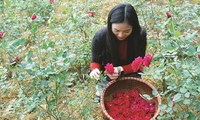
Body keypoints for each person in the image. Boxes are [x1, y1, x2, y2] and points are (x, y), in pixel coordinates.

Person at [89, 3, 147, 102]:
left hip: (130, 71)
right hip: (108, 74)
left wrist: (121, 69)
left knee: (134, 97)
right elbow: (95, 61)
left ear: (134, 27)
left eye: (127, 31)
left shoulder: (139, 36)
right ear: (110, 25)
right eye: (116, 30)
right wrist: (95, 70)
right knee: (102, 98)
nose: (120, 35)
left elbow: (140, 63)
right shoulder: (100, 37)